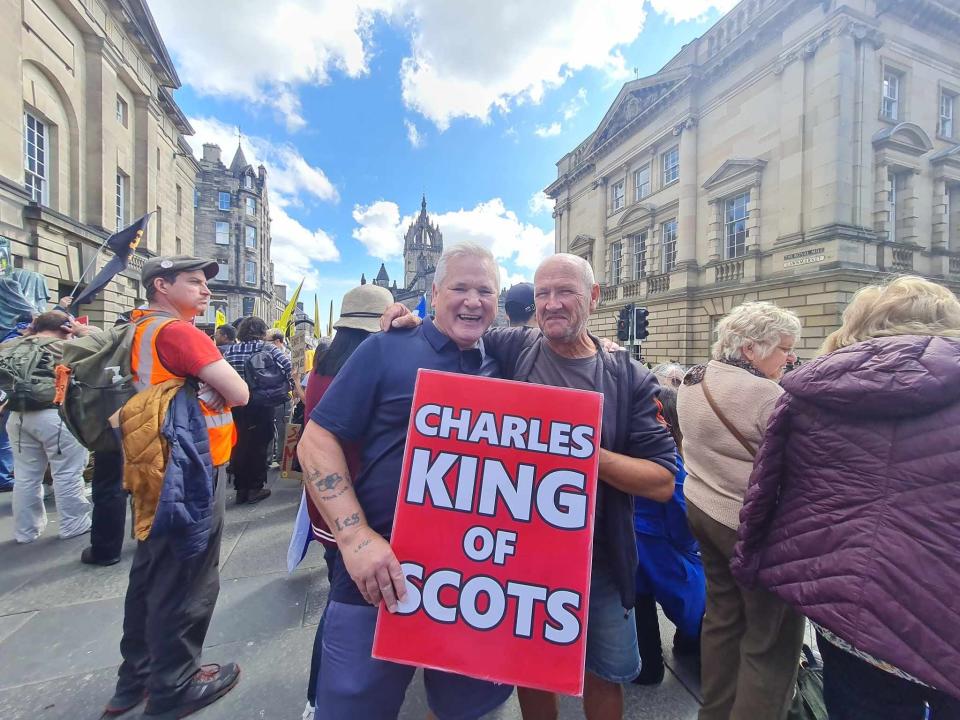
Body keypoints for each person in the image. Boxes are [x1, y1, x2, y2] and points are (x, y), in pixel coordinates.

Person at [383, 252, 678, 720]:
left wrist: (580, 452)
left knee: (605, 676)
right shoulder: (515, 345)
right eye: (543, 294)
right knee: (533, 671)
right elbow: (460, 325)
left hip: (599, 563)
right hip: (521, 564)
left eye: (566, 292)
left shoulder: (628, 377)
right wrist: (412, 317)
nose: (552, 304)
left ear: (594, 298)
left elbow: (663, 481)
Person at [297, 242, 513, 720]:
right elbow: (315, 441)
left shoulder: (502, 360)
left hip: (473, 583)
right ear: (433, 293)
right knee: (354, 708)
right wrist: (354, 538)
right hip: (378, 572)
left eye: (485, 290)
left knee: (468, 709)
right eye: (459, 288)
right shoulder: (385, 347)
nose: (473, 301)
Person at [732, 276, 960, 719]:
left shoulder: (807, 392)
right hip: (944, 615)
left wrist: (749, 561)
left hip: (844, 602)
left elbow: (767, 488)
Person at [106, 256, 249, 720]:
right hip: (189, 467)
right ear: (161, 286)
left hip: (152, 463)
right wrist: (217, 385)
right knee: (188, 575)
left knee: (151, 570)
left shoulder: (135, 328)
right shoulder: (179, 332)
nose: (207, 290)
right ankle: (176, 685)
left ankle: (137, 678)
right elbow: (240, 392)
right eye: (195, 282)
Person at [676, 300, 804, 720]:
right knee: (771, 641)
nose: (791, 357)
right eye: (784, 348)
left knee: (722, 618)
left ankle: (713, 711)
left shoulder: (695, 379)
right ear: (750, 349)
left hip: (701, 509)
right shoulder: (769, 396)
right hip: (752, 527)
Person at [299, 283, 393, 720]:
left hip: (323, 506)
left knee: (343, 593)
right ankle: (320, 696)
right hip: (352, 508)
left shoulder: (323, 364)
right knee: (345, 605)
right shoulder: (361, 368)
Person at [632, 385, 704, 686]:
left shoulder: (631, 448)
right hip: (660, 547)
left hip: (634, 545)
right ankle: (690, 646)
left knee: (639, 604)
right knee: (693, 599)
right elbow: (682, 514)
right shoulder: (670, 459)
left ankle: (647, 666)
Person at [1, 311, 93, 542]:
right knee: (67, 473)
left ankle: (26, 531)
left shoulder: (11, 346)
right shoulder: (64, 347)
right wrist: (81, 331)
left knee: (25, 476)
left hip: (17, 415)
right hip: (56, 415)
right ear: (65, 327)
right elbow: (101, 346)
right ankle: (73, 524)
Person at [223, 316, 300, 504]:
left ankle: (241, 488)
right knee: (259, 444)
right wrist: (291, 388)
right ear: (262, 331)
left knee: (239, 444)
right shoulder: (268, 348)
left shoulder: (231, 350)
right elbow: (290, 368)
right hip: (262, 403)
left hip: (236, 404)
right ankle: (255, 488)